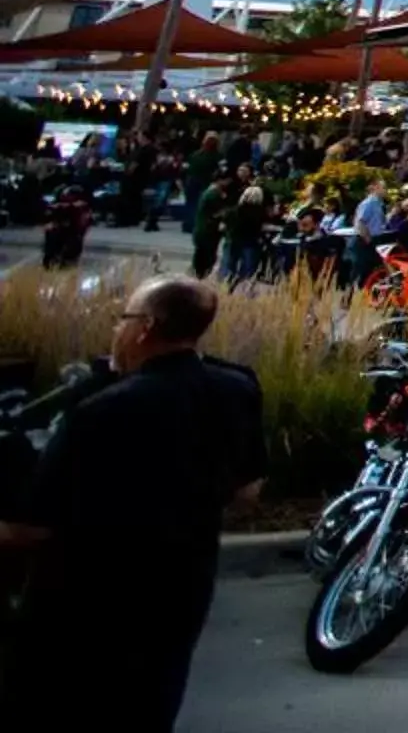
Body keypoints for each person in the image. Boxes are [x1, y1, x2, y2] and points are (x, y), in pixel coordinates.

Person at [0, 274, 265, 728]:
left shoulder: (101, 410)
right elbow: (247, 491)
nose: (115, 331)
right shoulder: (237, 388)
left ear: (145, 327)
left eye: (122, 319)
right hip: (181, 594)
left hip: (82, 610)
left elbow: (28, 529)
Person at [220, 172, 270, 286]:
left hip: (233, 240)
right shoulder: (259, 213)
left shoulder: (234, 211)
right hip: (250, 242)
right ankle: (244, 287)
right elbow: (261, 227)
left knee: (228, 266)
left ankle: (224, 285)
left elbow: (223, 224)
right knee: (248, 269)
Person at [189, 164, 235, 280]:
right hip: (207, 231)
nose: (229, 183)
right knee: (205, 259)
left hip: (206, 230)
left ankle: (198, 276)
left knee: (203, 258)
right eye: (227, 180)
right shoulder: (213, 195)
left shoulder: (212, 192)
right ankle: (198, 278)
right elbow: (221, 212)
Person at [346, 176, 388, 290]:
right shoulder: (368, 203)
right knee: (358, 269)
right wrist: (368, 238)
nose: (385, 190)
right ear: (375, 188)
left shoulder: (379, 204)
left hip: (373, 239)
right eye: (383, 188)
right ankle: (347, 298)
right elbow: (360, 222)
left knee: (370, 270)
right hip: (363, 240)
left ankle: (365, 294)